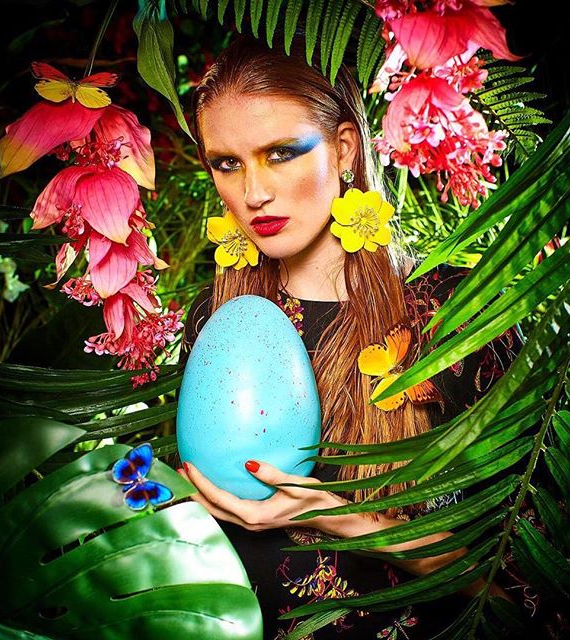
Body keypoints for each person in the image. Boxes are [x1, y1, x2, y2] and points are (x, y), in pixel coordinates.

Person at [176, 32, 524, 640]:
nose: (253, 193)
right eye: (227, 163)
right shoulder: (214, 316)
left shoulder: (454, 315)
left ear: (343, 149)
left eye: (280, 153)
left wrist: (340, 517)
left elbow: (521, 589)